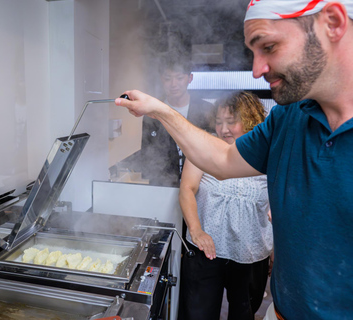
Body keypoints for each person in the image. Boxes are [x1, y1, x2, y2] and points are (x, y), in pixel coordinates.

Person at [115, 1, 353, 318]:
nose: (256, 69)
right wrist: (159, 110)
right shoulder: (286, 117)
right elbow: (223, 158)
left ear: (333, 23)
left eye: (269, 46)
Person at [178, 91, 273, 320]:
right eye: (219, 122)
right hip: (206, 250)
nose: (223, 129)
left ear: (250, 120)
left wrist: (274, 250)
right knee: (198, 313)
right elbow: (187, 189)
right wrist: (196, 230)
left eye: (231, 122)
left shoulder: (267, 151)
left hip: (251, 252)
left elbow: (278, 199)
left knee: (244, 312)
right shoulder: (205, 147)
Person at [139, 55, 215, 187]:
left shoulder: (206, 110)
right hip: (162, 186)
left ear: (189, 78)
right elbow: (147, 154)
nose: (173, 84)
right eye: (168, 79)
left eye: (179, 78)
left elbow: (215, 151)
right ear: (162, 79)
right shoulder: (152, 113)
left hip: (200, 186)